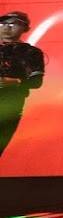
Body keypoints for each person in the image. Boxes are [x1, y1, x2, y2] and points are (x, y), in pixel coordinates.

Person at [0, 11, 45, 158]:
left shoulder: (30, 53)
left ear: (25, 28)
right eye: (3, 23)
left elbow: (36, 82)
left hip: (8, 107)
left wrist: (14, 81)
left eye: (13, 23)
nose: (7, 27)